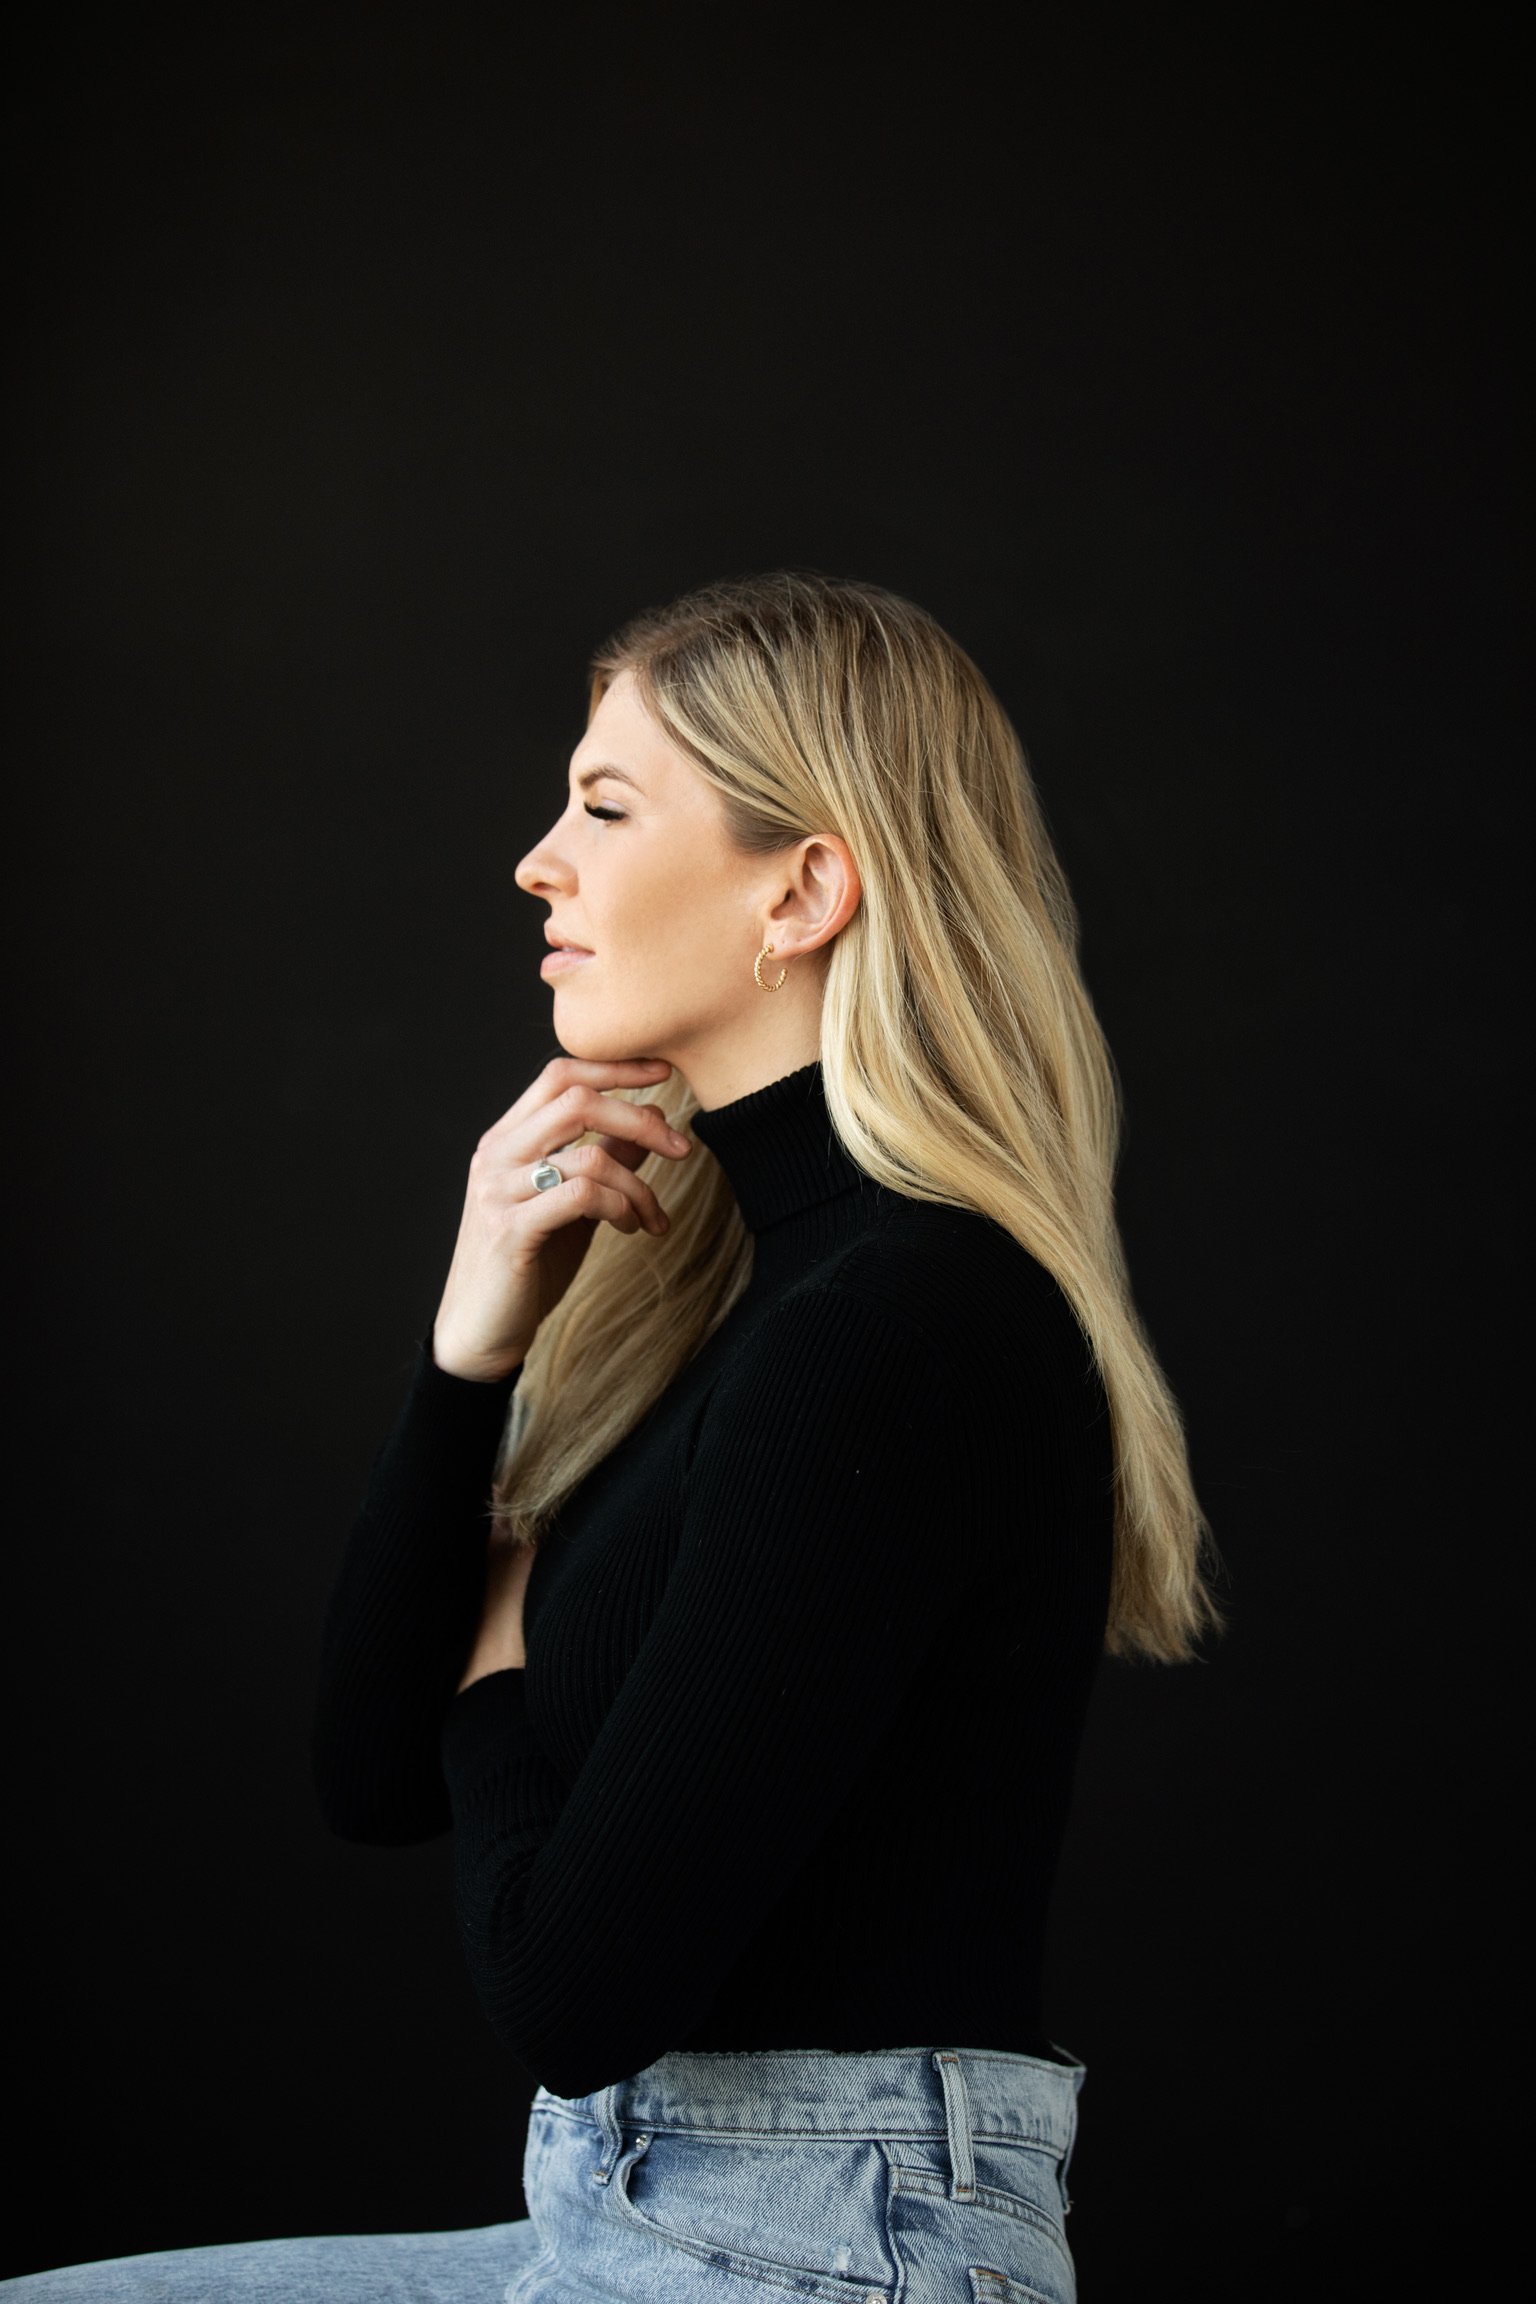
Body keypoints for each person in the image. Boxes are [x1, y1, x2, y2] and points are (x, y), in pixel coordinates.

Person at [5, 572, 1219, 2300]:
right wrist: (465, 1353)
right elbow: (366, 1779)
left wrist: (498, 1671)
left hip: (824, 2246)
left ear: (802, 888)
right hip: (643, 2211)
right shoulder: (741, 1291)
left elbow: (573, 1997)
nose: (538, 864)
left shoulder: (896, 1329)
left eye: (603, 804)